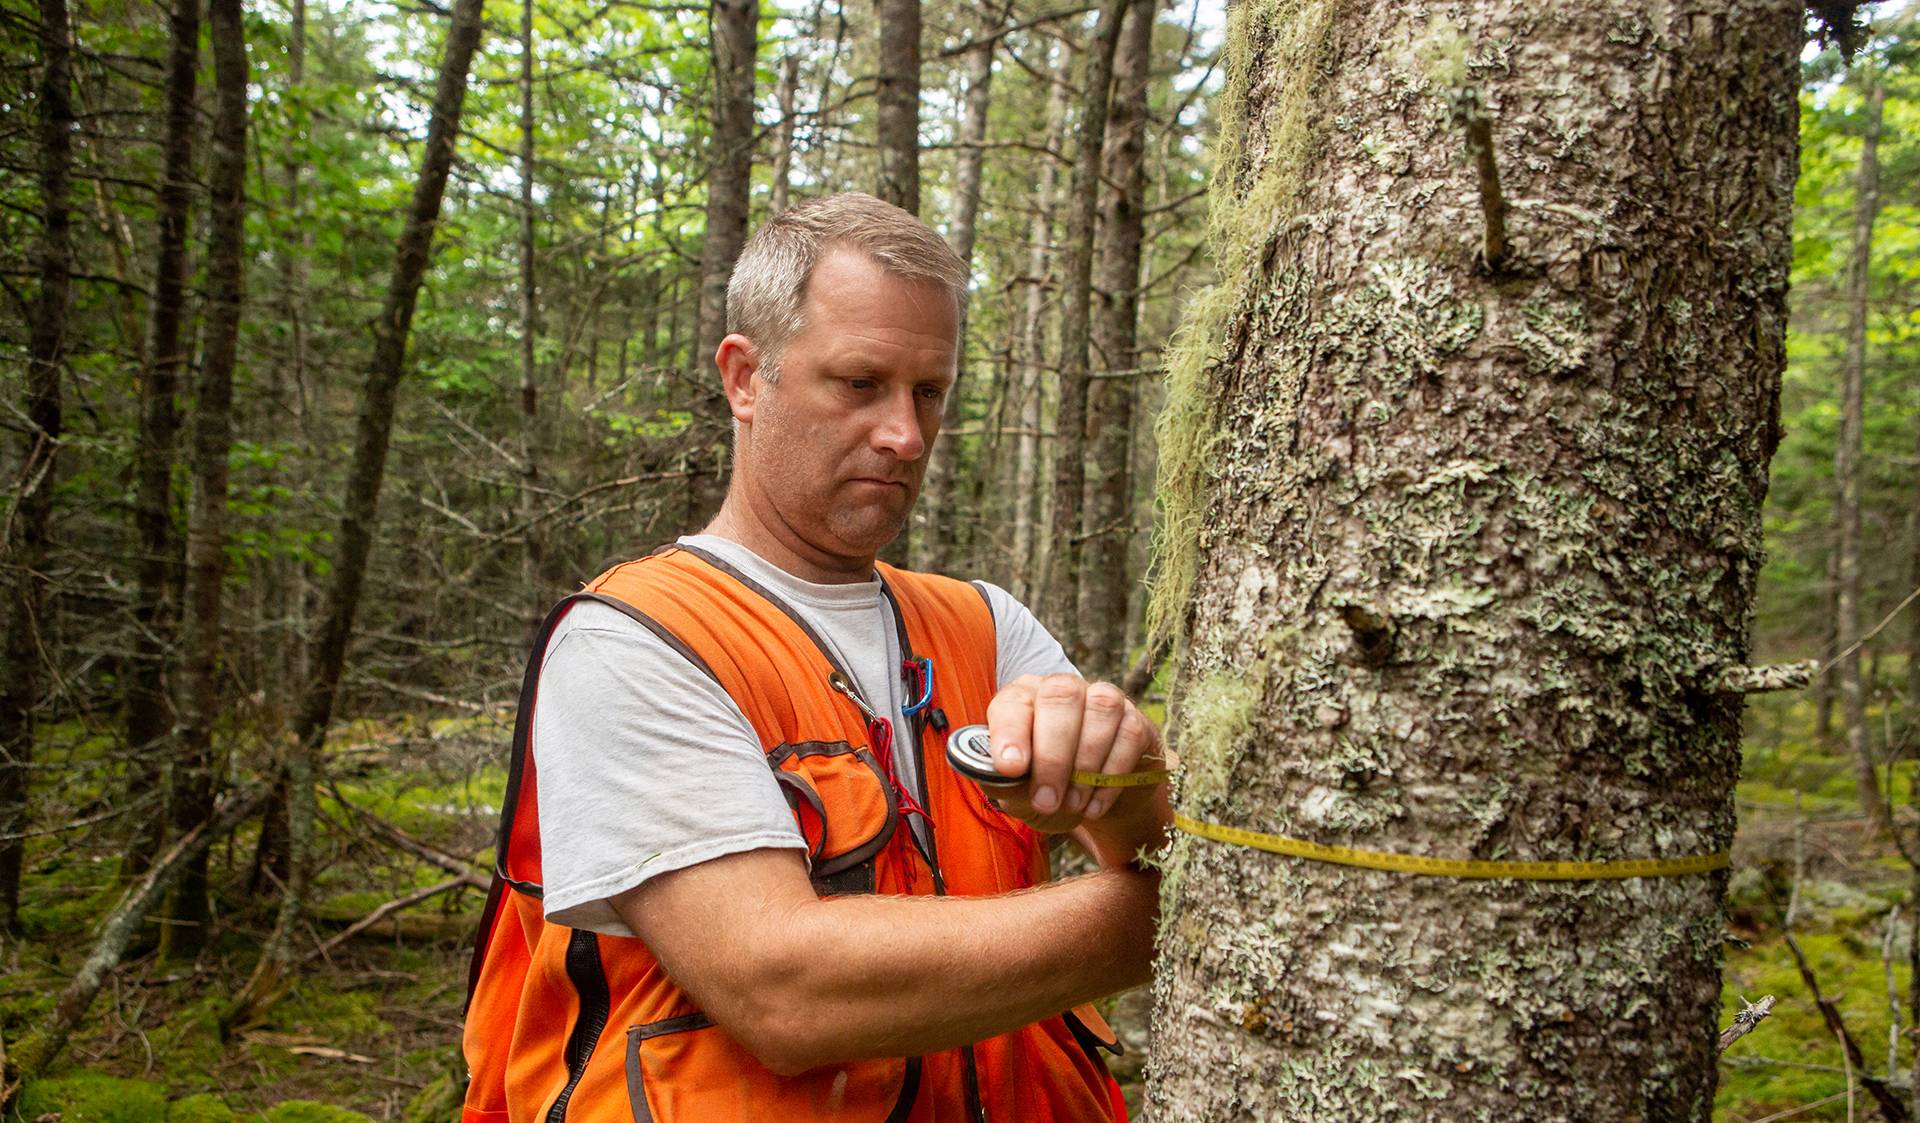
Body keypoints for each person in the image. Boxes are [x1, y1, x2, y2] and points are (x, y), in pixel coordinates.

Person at [462, 192, 1171, 1123]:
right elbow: (783, 988)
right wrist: (1176, 915)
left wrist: (1129, 778)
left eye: (929, 392)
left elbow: (1157, 844)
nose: (906, 436)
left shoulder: (985, 626)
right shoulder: (632, 639)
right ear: (746, 378)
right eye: (860, 383)